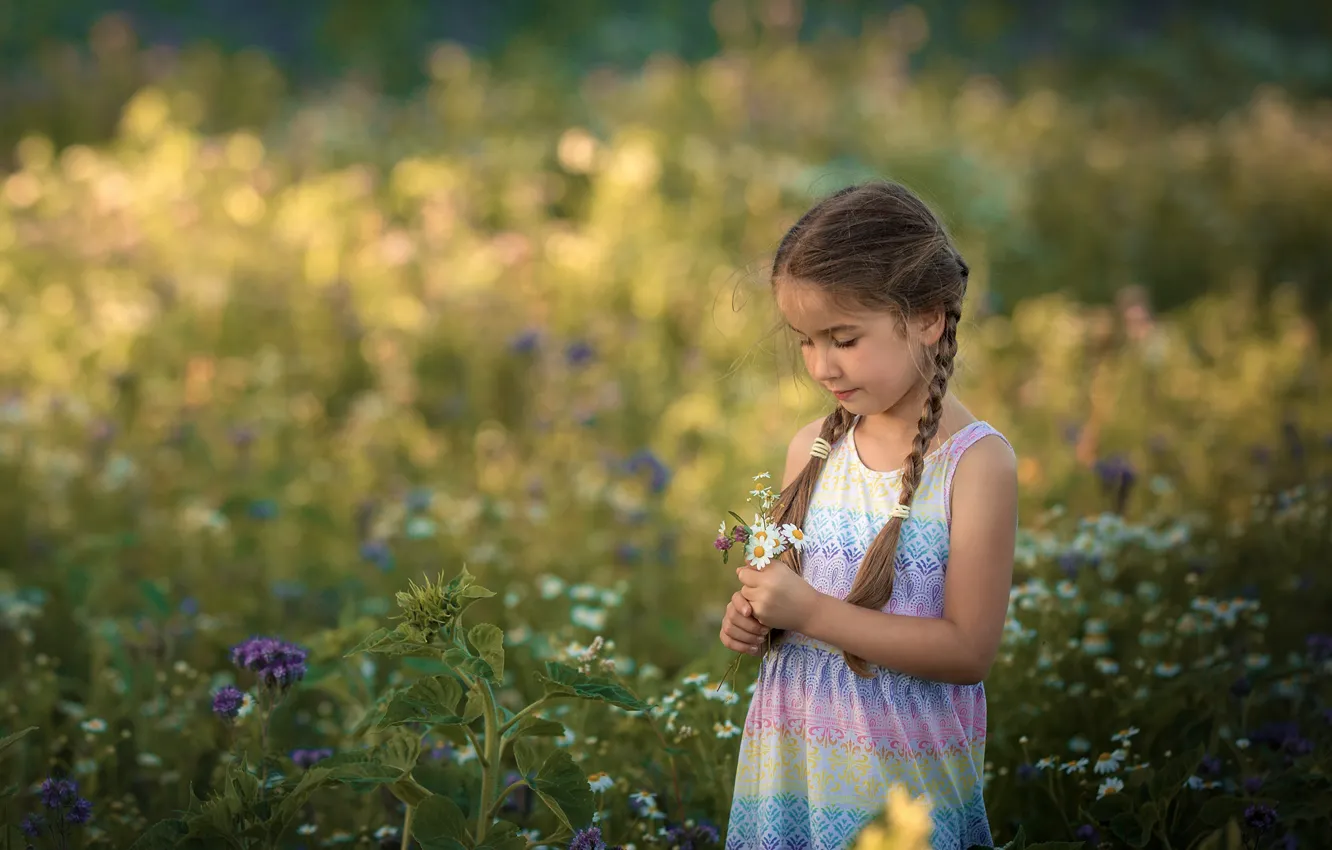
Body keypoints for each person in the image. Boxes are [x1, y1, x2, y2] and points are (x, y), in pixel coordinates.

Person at [720, 181, 1018, 850]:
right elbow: (787, 594)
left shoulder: (974, 465)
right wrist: (754, 616)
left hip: (901, 787)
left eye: (844, 339)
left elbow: (969, 650)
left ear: (928, 318)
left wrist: (812, 615)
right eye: (805, 341)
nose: (821, 365)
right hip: (796, 776)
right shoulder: (813, 448)